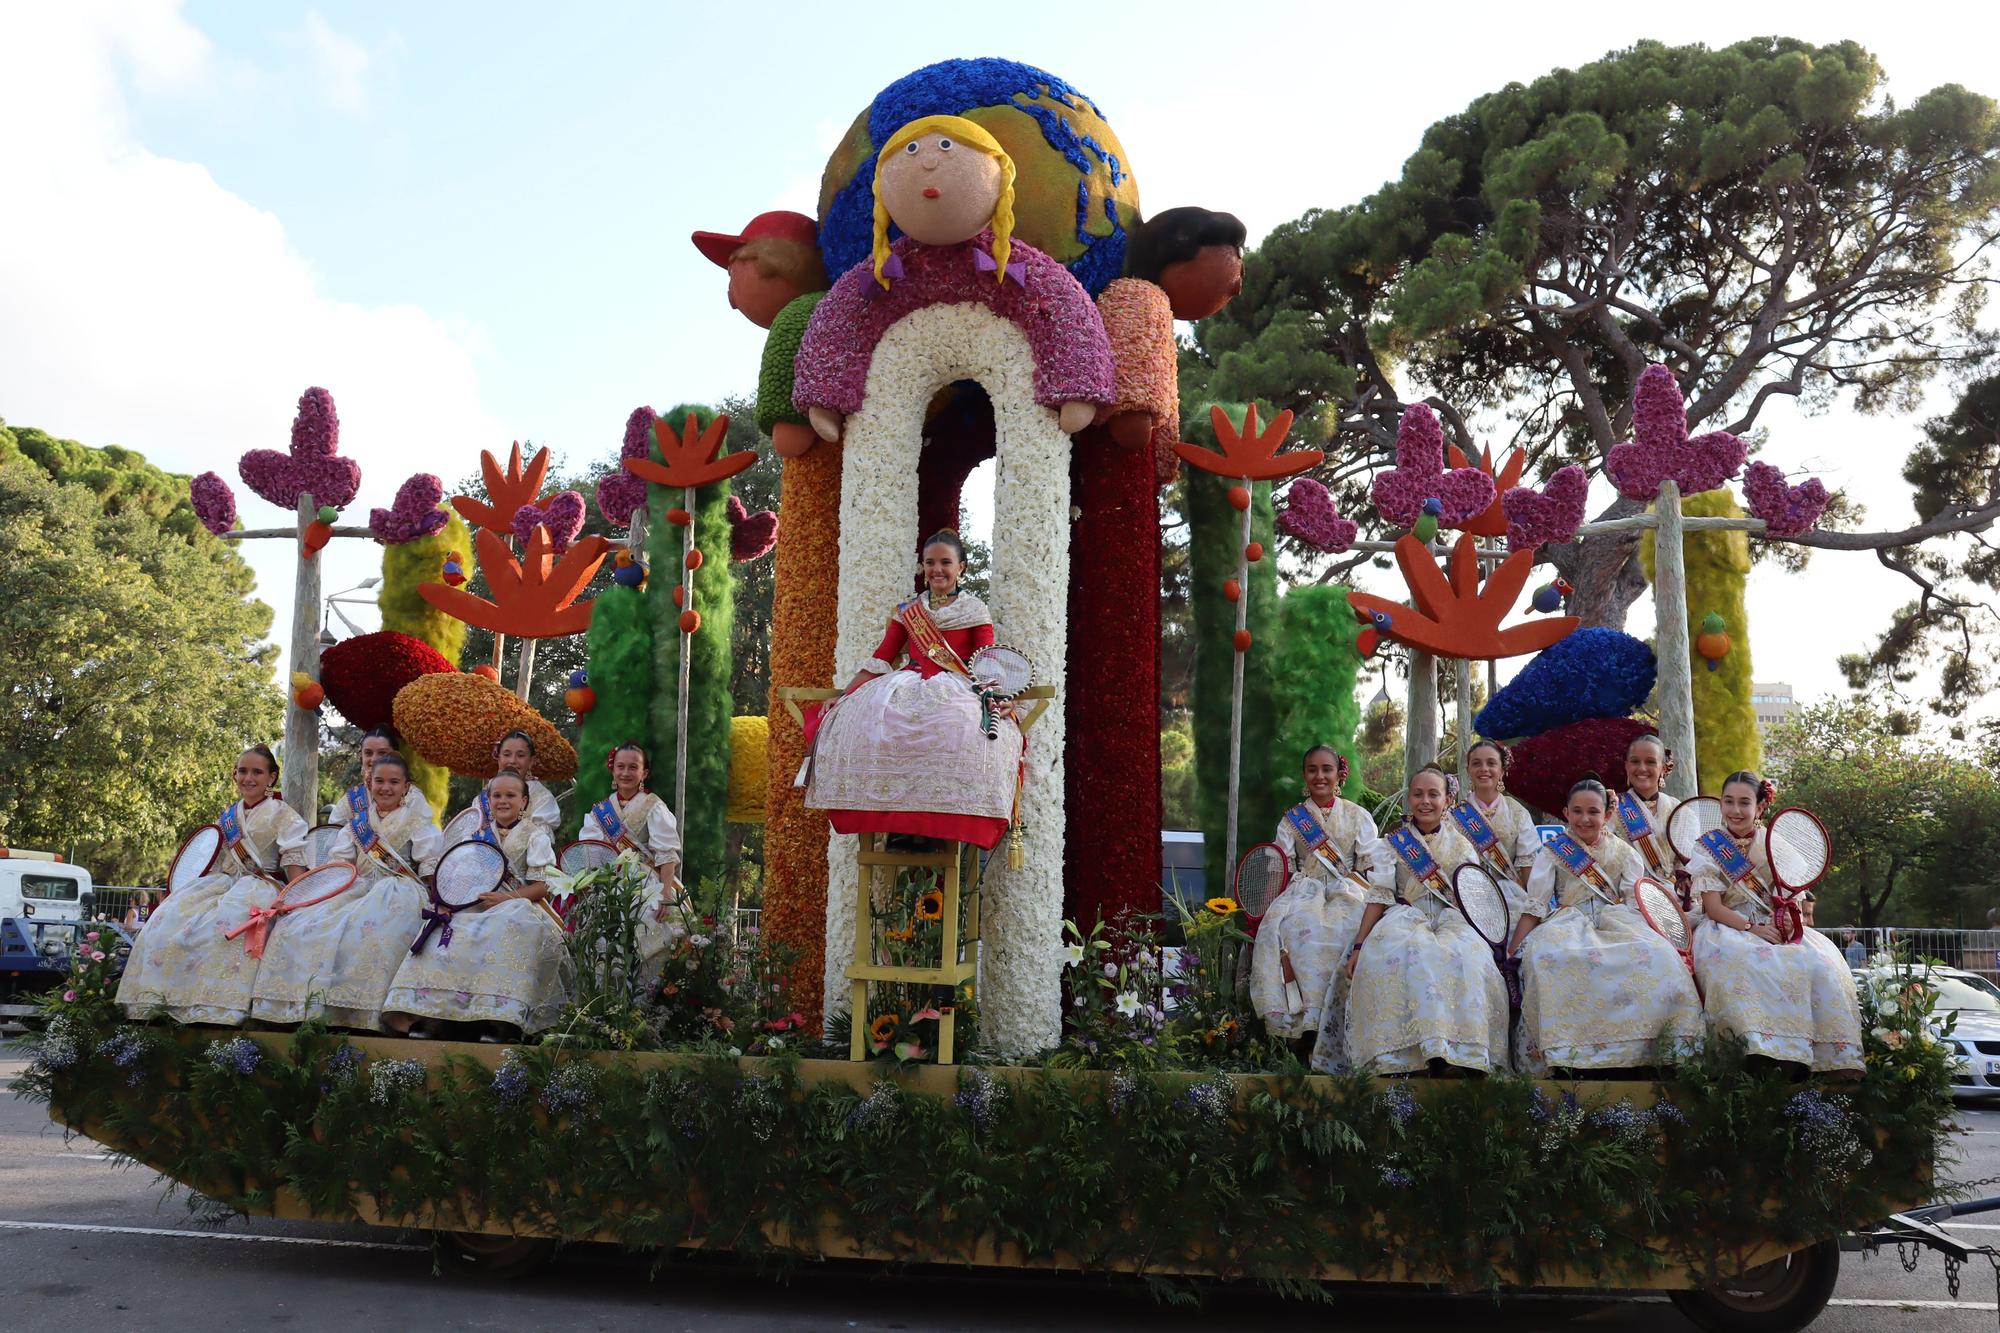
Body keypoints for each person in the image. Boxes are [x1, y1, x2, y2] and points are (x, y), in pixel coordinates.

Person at [801, 530, 1024, 850]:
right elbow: (881, 658)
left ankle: (937, 824)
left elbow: (986, 662)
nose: (938, 569)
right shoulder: (908, 611)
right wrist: (843, 695)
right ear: (922, 567)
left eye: (946, 562)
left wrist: (999, 699)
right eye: (930, 562)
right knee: (879, 724)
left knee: (957, 726)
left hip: (957, 684)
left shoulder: (974, 610)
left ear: (961, 567)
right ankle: (898, 824)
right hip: (908, 682)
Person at [1508, 776, 1704, 1075]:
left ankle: (1650, 1054)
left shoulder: (1625, 852)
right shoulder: (1552, 852)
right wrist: (1514, 951)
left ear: (1607, 815)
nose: (1584, 819)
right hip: (1568, 921)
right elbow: (1535, 906)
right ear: (1566, 813)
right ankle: (1565, 1056)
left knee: (1658, 956)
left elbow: (1635, 900)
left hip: (1617, 919)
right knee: (1547, 958)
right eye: (1577, 811)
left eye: (1593, 812)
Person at [1332, 765, 1511, 1076]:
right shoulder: (1392, 845)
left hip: (1453, 918)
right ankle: (1400, 1055)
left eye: (1433, 794)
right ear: (1409, 799)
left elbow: (1476, 897)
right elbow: (1379, 895)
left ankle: (1460, 1053)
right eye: (1418, 794)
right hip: (1405, 915)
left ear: (1447, 801)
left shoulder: (1462, 845)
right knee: (1393, 958)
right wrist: (1360, 944)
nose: (1425, 801)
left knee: (1468, 959)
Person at [1686, 770, 1863, 1073]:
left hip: (1773, 923)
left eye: (1744, 802)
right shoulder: (1707, 845)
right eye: (1728, 802)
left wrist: (1785, 922)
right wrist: (1751, 928)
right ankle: (1750, 1053)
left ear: (1760, 807)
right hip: (1727, 926)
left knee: (1818, 964)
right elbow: (1713, 908)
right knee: (1740, 961)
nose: (1736, 810)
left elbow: (1792, 895)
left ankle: (1807, 1055)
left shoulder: (1776, 844)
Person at [116, 746, 307, 1024]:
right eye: (242, 771)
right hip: (222, 883)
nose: (248, 778)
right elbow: (212, 860)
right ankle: (163, 1002)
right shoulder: (227, 816)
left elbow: (293, 862)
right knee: (169, 919)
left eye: (257, 772)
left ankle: (220, 1007)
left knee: (228, 923)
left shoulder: (284, 815)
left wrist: (301, 900)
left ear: (272, 777)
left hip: (260, 887)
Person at [252, 752, 440, 1030]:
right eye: (379, 781)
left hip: (399, 891)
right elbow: (338, 867)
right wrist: (299, 900)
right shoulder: (356, 825)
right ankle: (303, 1009)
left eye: (393, 782)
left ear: (406, 786)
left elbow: (429, 868)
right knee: (302, 926)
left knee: (367, 929)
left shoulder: (418, 823)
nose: (385, 788)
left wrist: (439, 902)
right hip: (356, 888)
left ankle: (363, 1013)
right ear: (370, 783)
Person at [383, 771, 569, 1039]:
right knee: (447, 929)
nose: (502, 801)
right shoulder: (476, 834)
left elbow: (543, 886)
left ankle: (501, 1021)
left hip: (518, 904)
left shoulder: (534, 835)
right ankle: (438, 1015)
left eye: (510, 795)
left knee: (511, 925)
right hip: (476, 903)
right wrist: (447, 903)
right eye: (496, 795)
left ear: (524, 801)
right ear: (488, 799)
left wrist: (506, 899)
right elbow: (459, 875)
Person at [1250, 746, 1384, 1059]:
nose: (1320, 776)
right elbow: (1278, 863)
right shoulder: (1292, 820)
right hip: (1303, 892)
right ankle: (1303, 1027)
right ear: (1304, 775)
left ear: (1339, 774)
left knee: (1346, 931)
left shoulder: (1357, 816)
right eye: (1312, 769)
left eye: (1326, 769)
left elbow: (1371, 864)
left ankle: (1341, 1025)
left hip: (1348, 890)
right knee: (1294, 931)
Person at [578, 742, 683, 981]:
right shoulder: (600, 811)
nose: (626, 773)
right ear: (613, 770)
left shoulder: (653, 805)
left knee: (650, 929)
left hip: (645, 881)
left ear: (643, 773)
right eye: (620, 767)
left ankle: (642, 997)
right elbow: (590, 852)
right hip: (608, 881)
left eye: (633, 767)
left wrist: (666, 894)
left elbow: (666, 854)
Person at [1449, 739, 1540, 912]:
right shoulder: (1454, 817)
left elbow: (1528, 864)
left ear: (1502, 770)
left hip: (1512, 896)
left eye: (1491, 763)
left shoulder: (1517, 813)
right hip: (1468, 899)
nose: (1484, 769)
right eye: (1476, 763)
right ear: (1468, 770)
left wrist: (1534, 905)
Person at [1610, 733, 1688, 911]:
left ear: (1663, 767)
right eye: (1635, 761)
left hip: (1676, 899)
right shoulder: (1612, 809)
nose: (1642, 768)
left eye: (1651, 762)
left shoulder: (1678, 810)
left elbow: (1687, 858)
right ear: (1627, 766)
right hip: (1631, 901)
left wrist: (1685, 880)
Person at [327, 726, 430, 825]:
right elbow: (332, 833)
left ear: (395, 756)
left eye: (382, 753)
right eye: (368, 753)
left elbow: (426, 839)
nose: (374, 759)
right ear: (361, 756)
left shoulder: (412, 797)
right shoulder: (353, 798)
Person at [491, 730, 561, 834]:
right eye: (506, 754)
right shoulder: (485, 794)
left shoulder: (542, 798)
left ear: (531, 761)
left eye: (520, 755)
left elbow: (540, 841)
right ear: (499, 758)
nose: (512, 761)